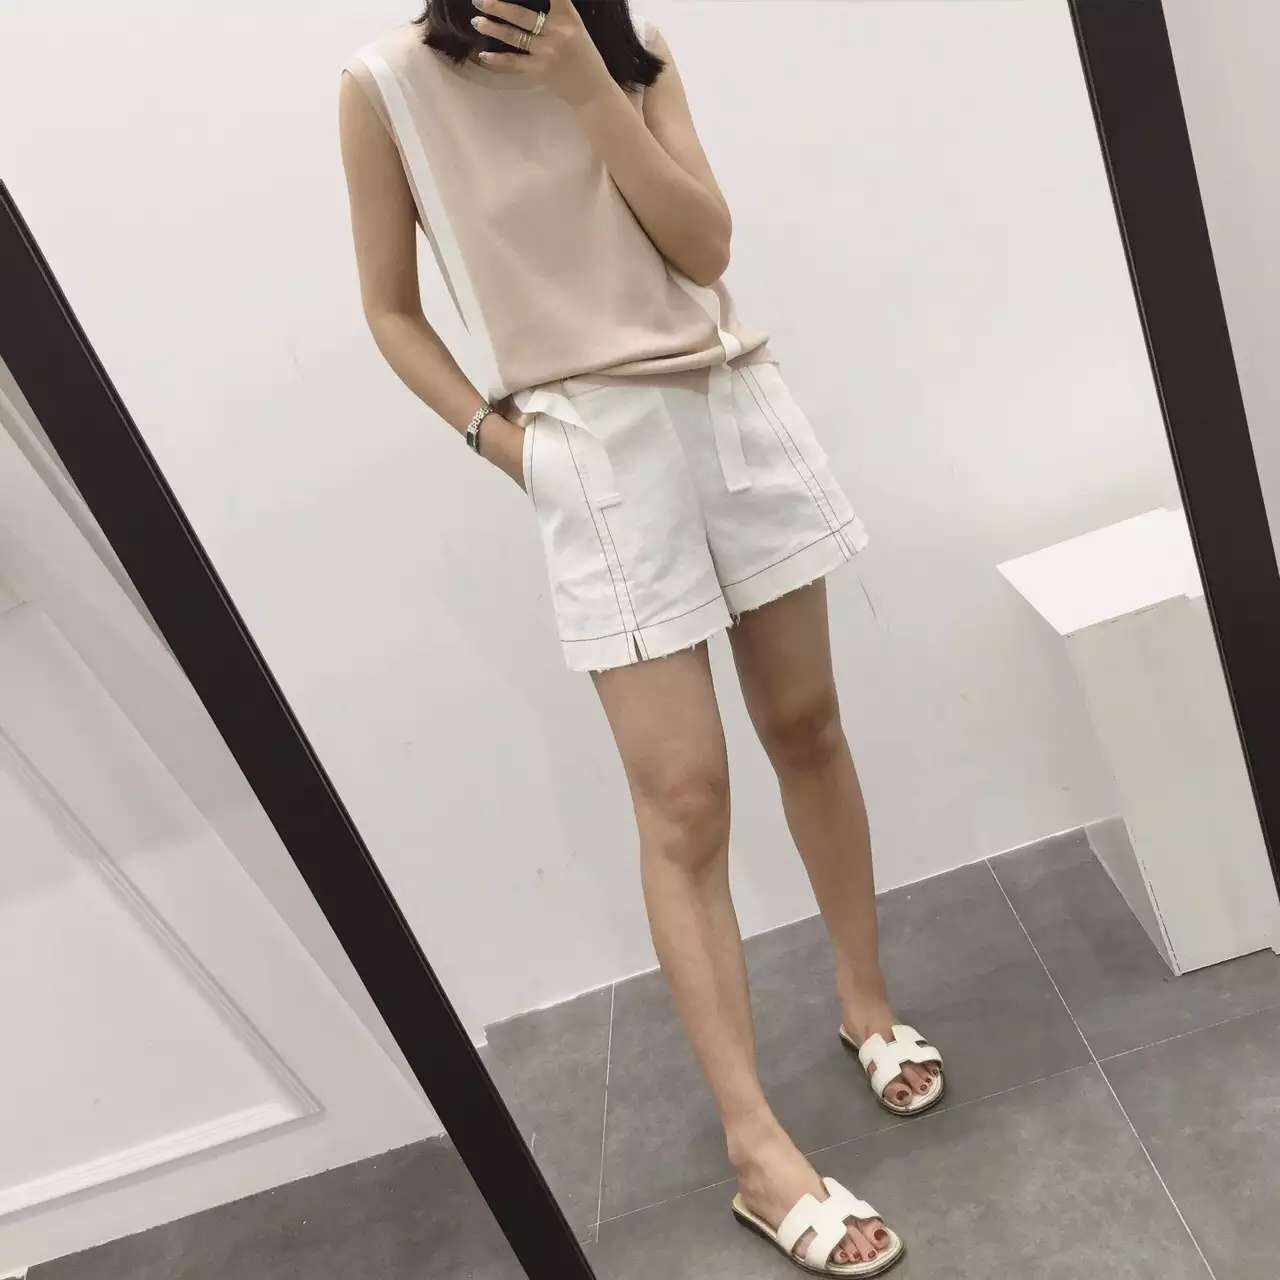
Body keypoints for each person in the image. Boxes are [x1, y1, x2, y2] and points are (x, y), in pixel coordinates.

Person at [338, 2, 942, 1272]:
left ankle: (865, 1002)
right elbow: (389, 310)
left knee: (806, 726)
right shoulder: (384, 87)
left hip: (727, 405)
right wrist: (509, 446)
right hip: (591, 449)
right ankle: (755, 1149)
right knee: (681, 799)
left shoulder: (631, 47)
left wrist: (587, 86)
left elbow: (704, 246)